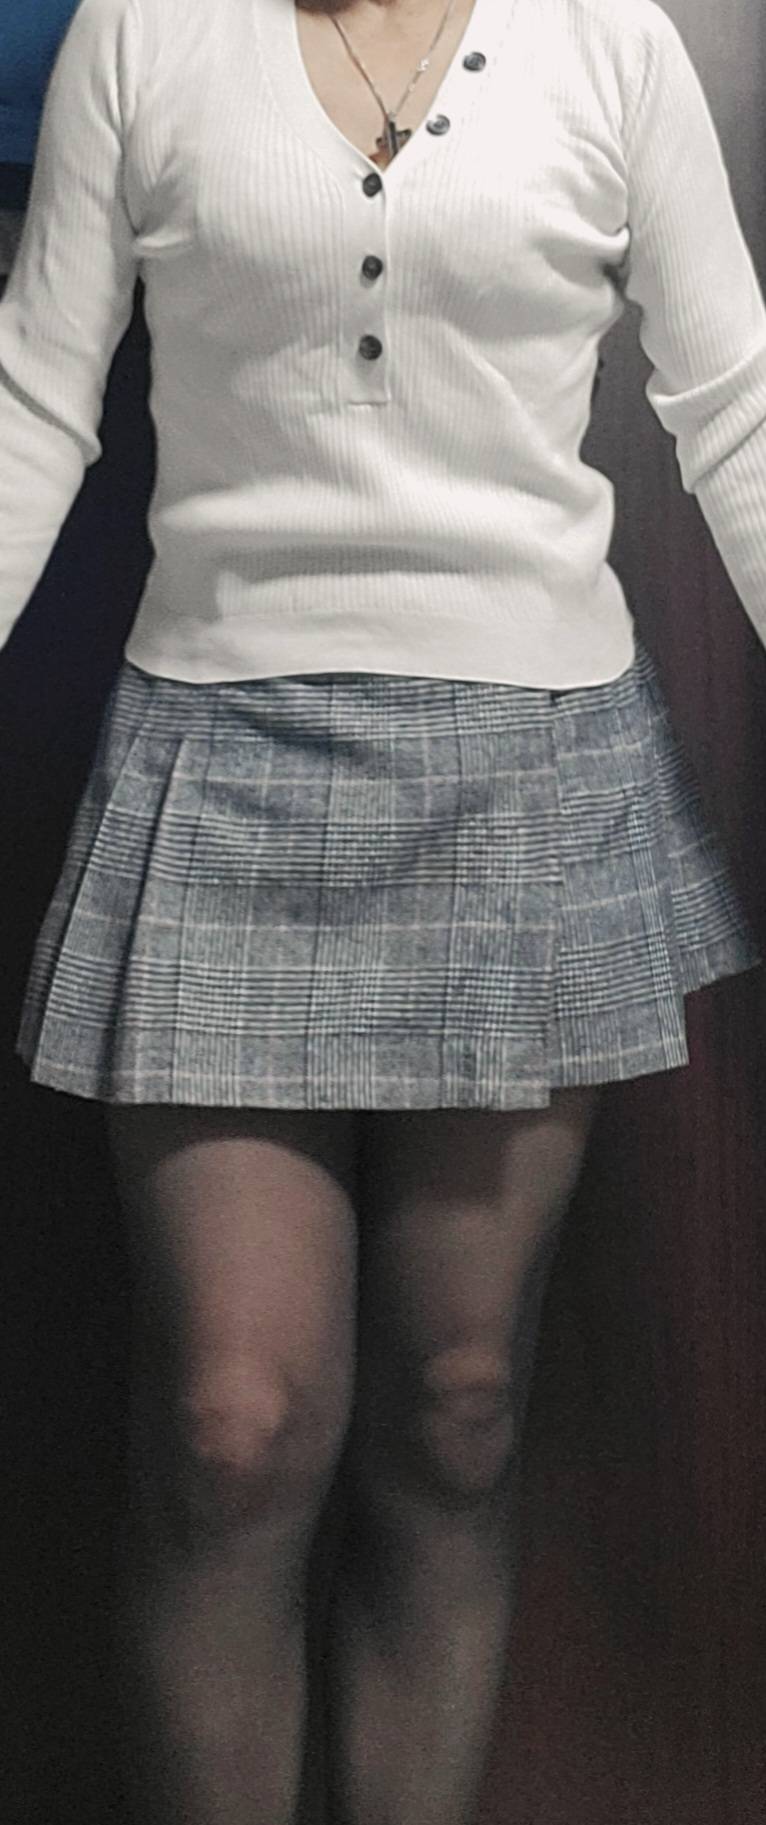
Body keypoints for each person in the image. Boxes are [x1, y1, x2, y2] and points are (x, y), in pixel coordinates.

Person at [0, 0, 764, 1820]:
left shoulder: (610, 42)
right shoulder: (144, 32)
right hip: (218, 749)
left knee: (459, 1408)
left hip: (531, 766)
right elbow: (34, 400)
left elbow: (735, 402)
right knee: (232, 1427)